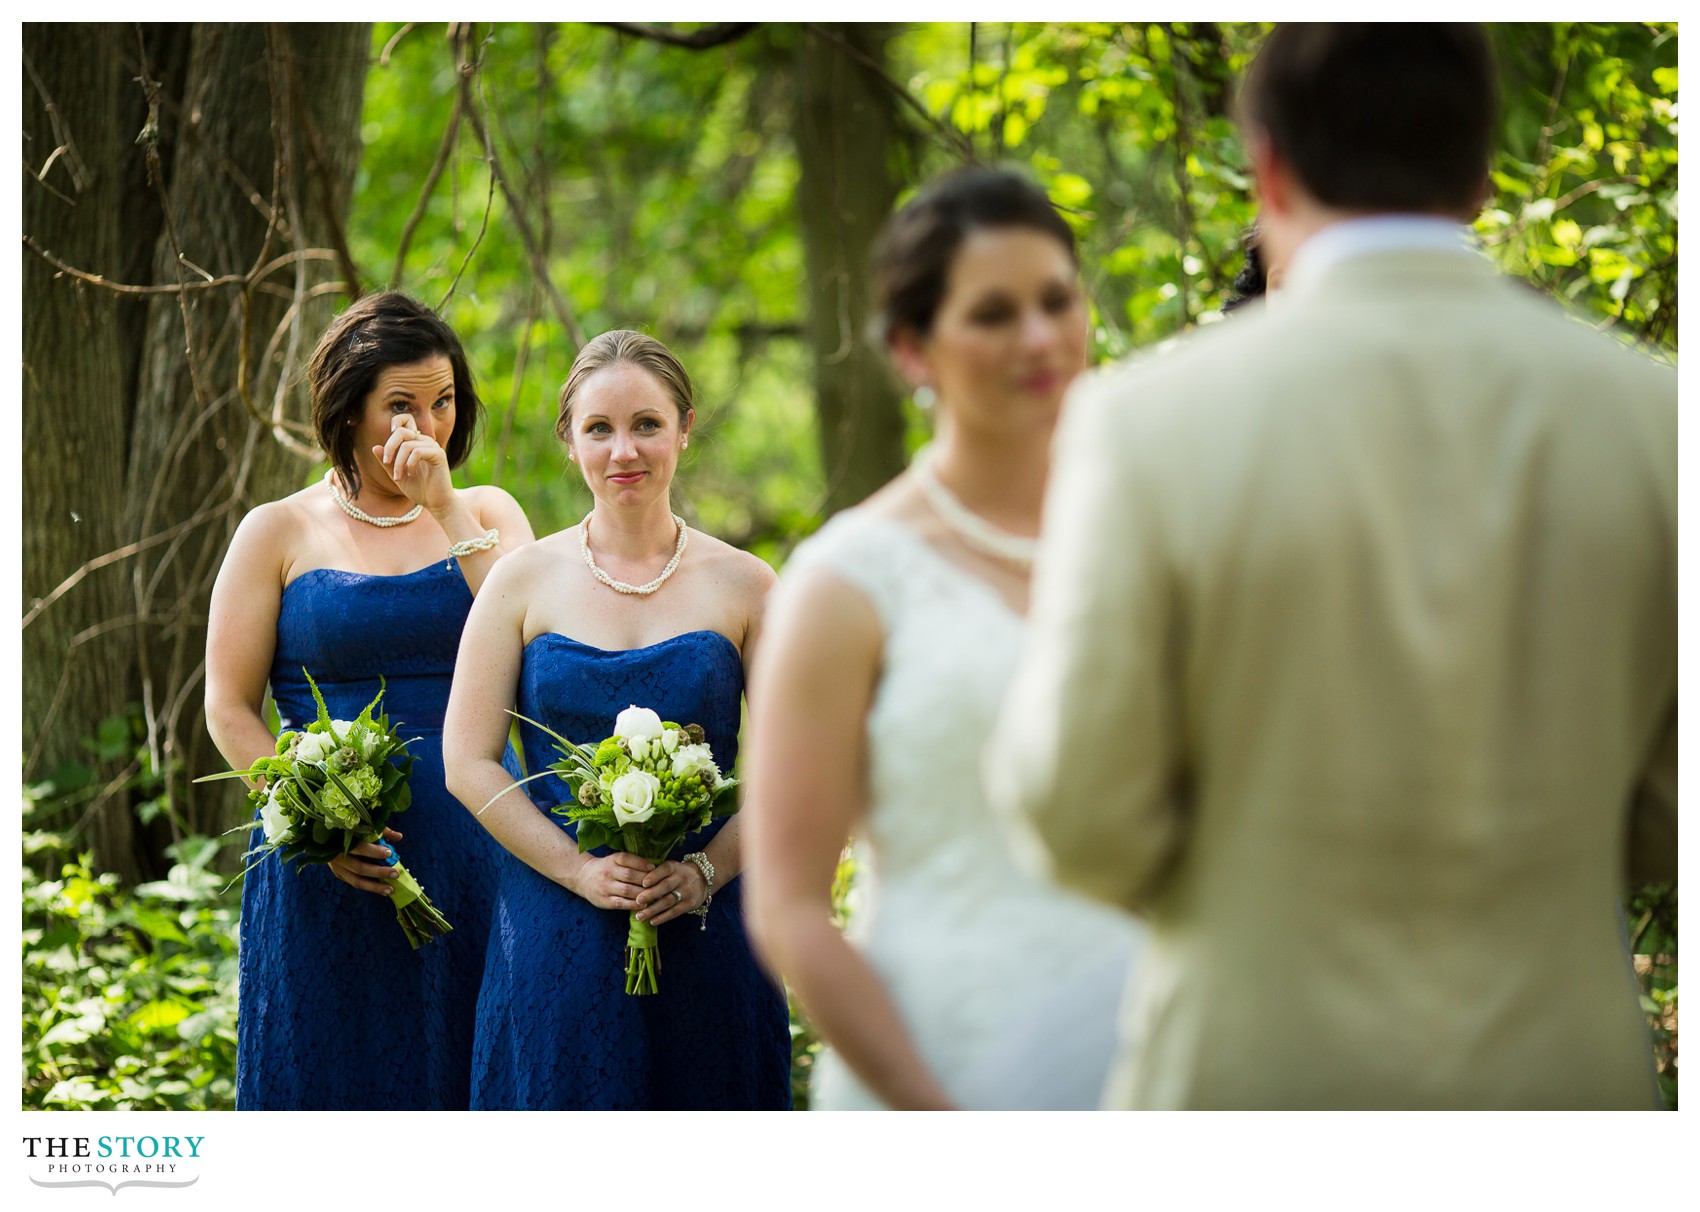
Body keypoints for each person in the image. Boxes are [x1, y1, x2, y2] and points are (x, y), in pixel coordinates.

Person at [987, 23, 1676, 1109]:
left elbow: (1080, 814)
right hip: (1559, 1087)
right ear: (1481, 176)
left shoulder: (1144, 422)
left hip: (1252, 1077)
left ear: (1263, 162)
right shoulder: (1652, 418)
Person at [742, 167, 1140, 1111]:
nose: (1040, 337)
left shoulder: (1154, 534)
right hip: (940, 1067)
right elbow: (789, 907)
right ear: (913, 350)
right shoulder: (847, 582)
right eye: (994, 314)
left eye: (1056, 300)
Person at [442, 330, 790, 1110]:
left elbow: (794, 773)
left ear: (685, 428)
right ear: (569, 440)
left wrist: (703, 873)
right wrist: (577, 870)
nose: (623, 449)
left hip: (707, 921)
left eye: (647, 424)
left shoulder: (749, 584)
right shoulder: (519, 582)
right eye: (599, 428)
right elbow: (467, 760)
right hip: (552, 920)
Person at [205, 290, 534, 1110]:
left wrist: (445, 506)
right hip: (330, 867)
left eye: (443, 402)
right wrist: (310, 814)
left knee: (474, 1068)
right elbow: (229, 707)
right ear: (348, 408)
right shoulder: (276, 531)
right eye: (400, 406)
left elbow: (535, 645)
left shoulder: (489, 513)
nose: (425, 428)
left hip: (476, 845)